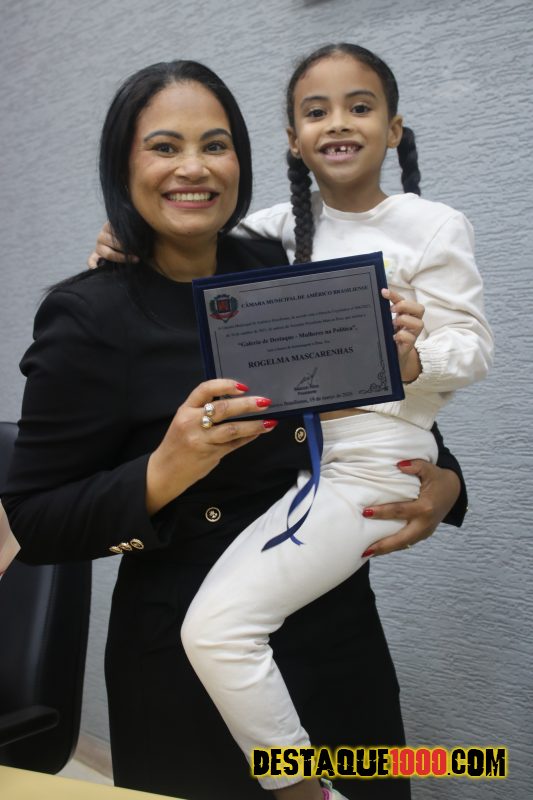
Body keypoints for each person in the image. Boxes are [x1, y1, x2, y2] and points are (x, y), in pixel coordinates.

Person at [3, 58, 468, 800]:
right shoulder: (90, 315)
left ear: (242, 160)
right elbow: (36, 521)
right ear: (122, 165)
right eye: (164, 147)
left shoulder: (281, 261)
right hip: (184, 662)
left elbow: (364, 402)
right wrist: (165, 470)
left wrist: (445, 485)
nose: (193, 168)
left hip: (333, 638)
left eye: (214, 145)